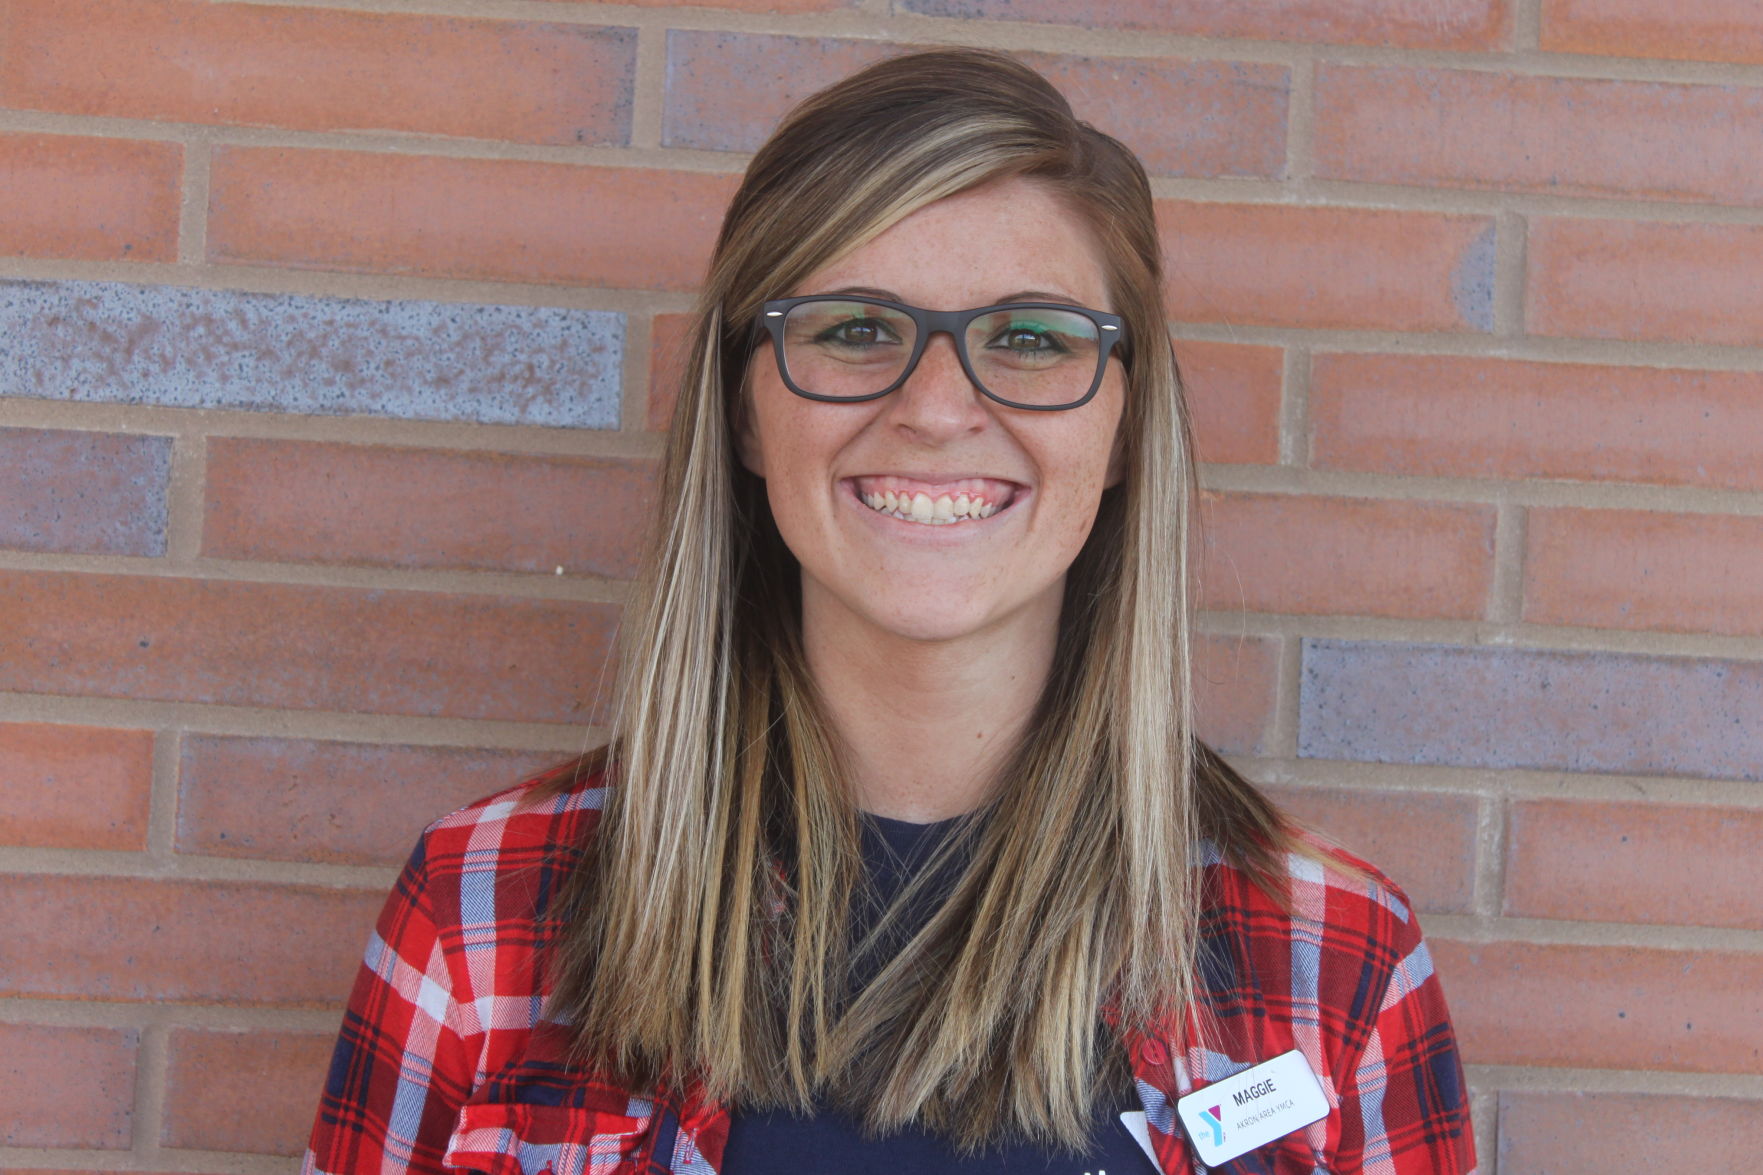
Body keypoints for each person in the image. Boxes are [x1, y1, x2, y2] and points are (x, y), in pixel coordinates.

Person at [301, 48, 1475, 1175]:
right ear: (745, 411)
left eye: (1030, 338)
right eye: (856, 328)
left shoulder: (1332, 961)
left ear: (1121, 431)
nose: (934, 405)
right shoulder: (485, 909)